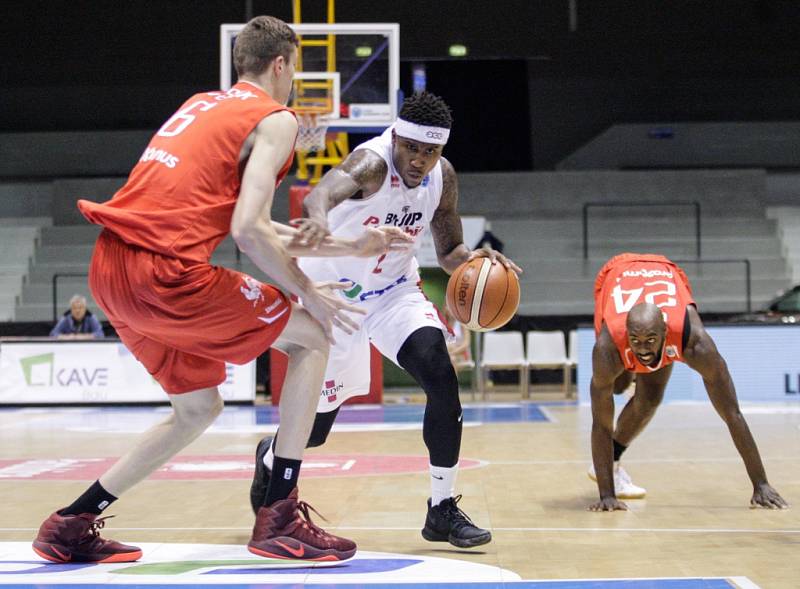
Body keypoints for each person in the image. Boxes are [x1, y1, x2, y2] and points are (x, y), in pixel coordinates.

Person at [32, 15, 412, 565]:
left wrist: (351, 248)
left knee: (197, 408)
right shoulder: (274, 118)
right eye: (296, 71)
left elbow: (248, 223)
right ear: (281, 65)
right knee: (311, 337)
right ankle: (280, 513)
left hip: (112, 269)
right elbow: (248, 231)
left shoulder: (199, 106)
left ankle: (72, 522)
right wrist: (307, 291)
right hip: (166, 275)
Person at [250, 91, 522, 548]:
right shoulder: (371, 165)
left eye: (430, 151)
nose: (418, 160)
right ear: (395, 136)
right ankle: (270, 455)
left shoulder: (443, 178)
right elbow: (321, 193)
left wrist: (477, 261)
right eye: (411, 147)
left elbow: (449, 252)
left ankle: (442, 508)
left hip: (395, 293)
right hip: (336, 298)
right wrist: (316, 217)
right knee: (313, 431)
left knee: (440, 375)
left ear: (441, 151)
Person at [588, 252, 789, 511]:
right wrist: (607, 496)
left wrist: (761, 483)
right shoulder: (608, 347)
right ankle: (628, 376)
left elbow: (733, 415)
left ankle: (610, 460)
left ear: (665, 331)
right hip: (615, 274)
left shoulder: (695, 343)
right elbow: (600, 424)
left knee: (650, 399)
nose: (644, 349)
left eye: (651, 340)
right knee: (615, 386)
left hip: (665, 269)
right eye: (635, 341)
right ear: (626, 334)